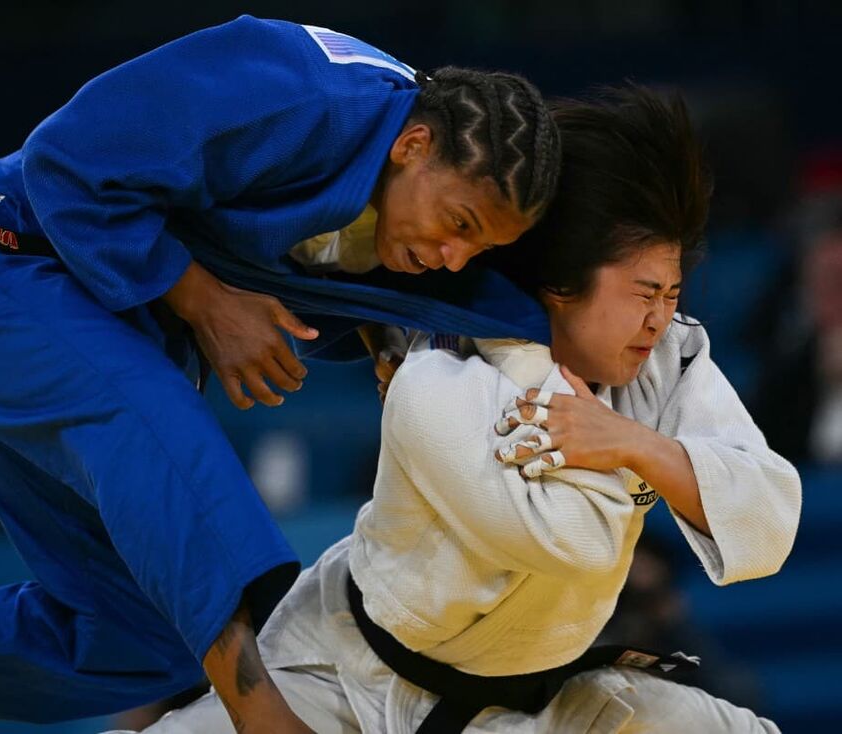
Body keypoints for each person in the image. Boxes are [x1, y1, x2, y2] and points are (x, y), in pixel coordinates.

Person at [0, 15, 561, 734]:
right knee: (151, 416)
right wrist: (204, 298)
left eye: (476, 248)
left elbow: (366, 281)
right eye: (457, 224)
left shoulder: (398, 182)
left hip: (97, 321)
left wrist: (393, 335)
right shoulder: (294, 87)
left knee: (144, 635)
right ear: (414, 145)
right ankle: (263, 716)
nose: (454, 258)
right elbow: (66, 159)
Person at [120, 86, 801, 733]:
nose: (659, 319)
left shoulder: (666, 358)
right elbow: (578, 542)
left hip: (540, 702)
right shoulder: (443, 370)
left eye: (671, 293)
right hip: (343, 678)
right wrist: (656, 458)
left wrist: (633, 444)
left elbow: (769, 513)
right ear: (560, 283)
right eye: (642, 292)